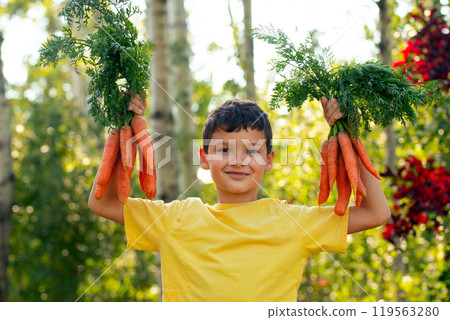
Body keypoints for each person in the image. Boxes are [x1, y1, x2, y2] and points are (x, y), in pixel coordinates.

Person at [88, 95, 391, 302]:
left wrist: (348, 135)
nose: (238, 160)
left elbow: (376, 212)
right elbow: (103, 202)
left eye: (251, 151)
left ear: (269, 160)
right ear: (204, 158)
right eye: (223, 149)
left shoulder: (294, 223)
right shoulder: (175, 220)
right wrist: (123, 126)